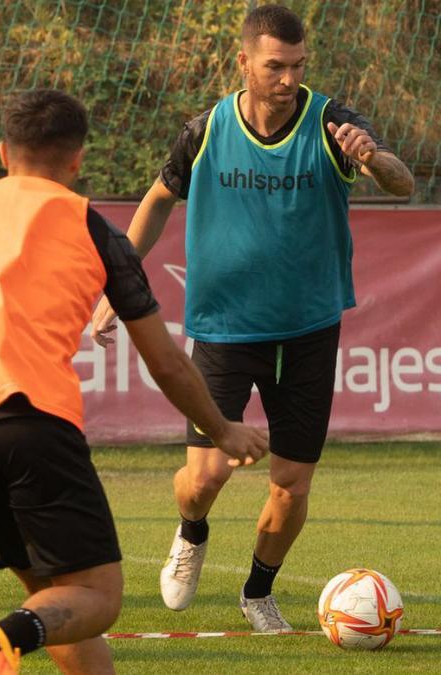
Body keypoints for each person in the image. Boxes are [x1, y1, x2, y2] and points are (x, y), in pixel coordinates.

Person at [0, 88, 269, 674]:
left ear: (4, 152)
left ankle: (18, 630)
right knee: (99, 599)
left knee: (58, 597)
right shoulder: (96, 231)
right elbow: (168, 363)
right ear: (78, 161)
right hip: (32, 424)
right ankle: (5, 637)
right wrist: (223, 430)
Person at [90, 4, 414, 631]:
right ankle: (189, 536)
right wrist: (120, 278)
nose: (288, 79)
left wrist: (372, 157)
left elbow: (400, 183)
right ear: (244, 63)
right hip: (223, 330)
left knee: (291, 483)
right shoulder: (205, 128)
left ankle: (258, 591)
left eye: (297, 66)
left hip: (310, 331)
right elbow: (157, 201)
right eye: (274, 66)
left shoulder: (333, 123)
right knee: (203, 478)